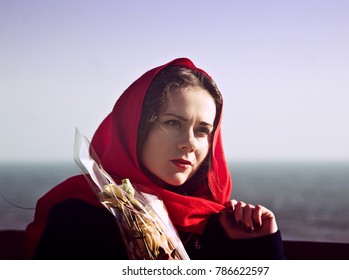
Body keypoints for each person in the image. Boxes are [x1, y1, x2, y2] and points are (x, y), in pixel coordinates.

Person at [25, 58, 285, 260]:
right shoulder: (79, 217)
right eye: (172, 123)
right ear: (135, 129)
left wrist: (262, 244)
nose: (189, 142)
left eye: (202, 130)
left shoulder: (221, 226)